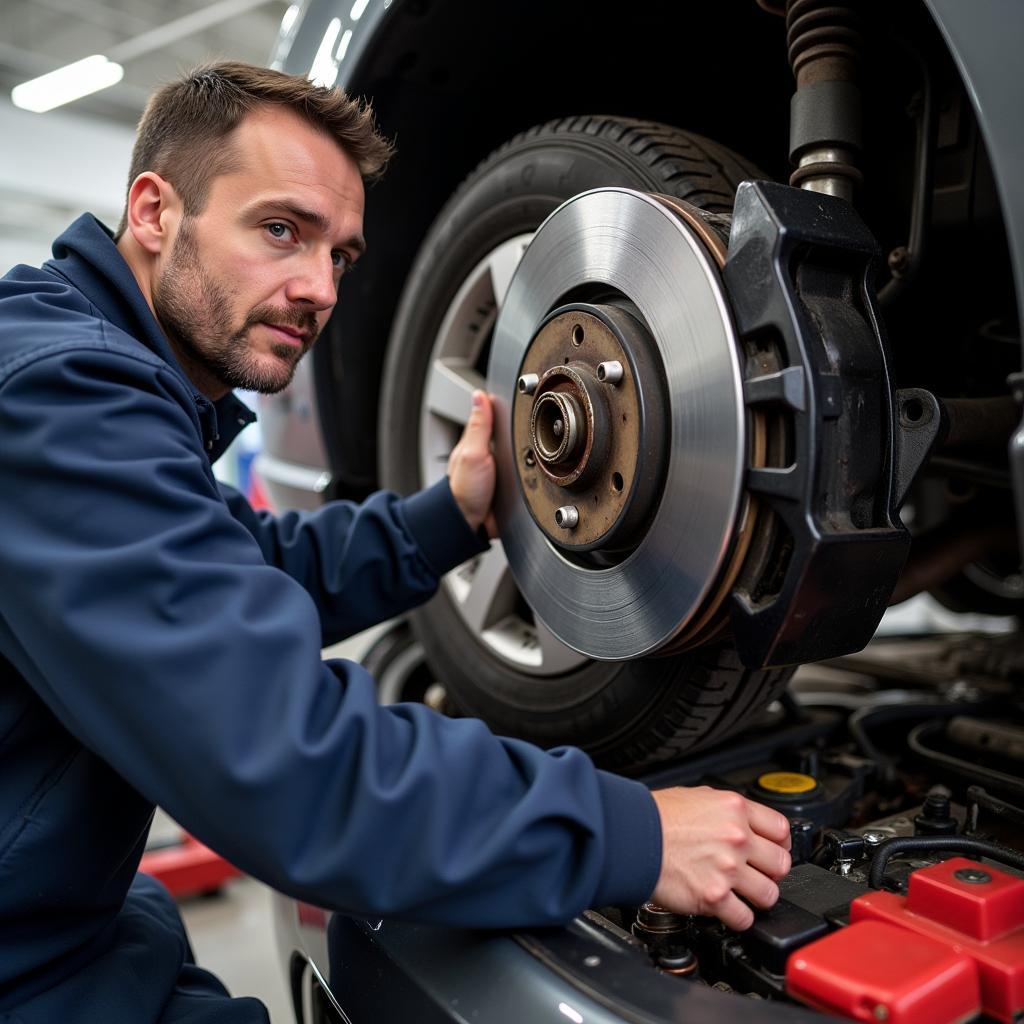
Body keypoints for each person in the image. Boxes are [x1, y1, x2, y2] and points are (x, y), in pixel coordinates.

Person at [0, 62, 791, 1023]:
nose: (318, 288)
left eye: (342, 256)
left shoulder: (85, 371)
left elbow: (243, 573)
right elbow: (282, 759)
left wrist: (451, 516)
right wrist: (632, 834)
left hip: (72, 924)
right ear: (156, 212)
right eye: (282, 229)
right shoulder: (58, 398)